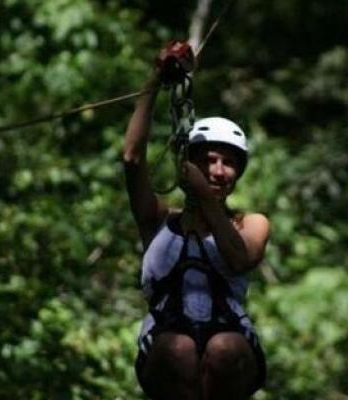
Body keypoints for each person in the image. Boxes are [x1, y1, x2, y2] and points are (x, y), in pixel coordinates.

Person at [123, 49, 270, 400]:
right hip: (166, 345)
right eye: (209, 160)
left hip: (231, 343)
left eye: (229, 163)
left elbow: (240, 258)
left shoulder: (250, 223)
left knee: (223, 349)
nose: (219, 171)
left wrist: (203, 195)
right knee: (179, 350)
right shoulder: (158, 219)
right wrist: (154, 81)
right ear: (188, 166)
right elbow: (132, 159)